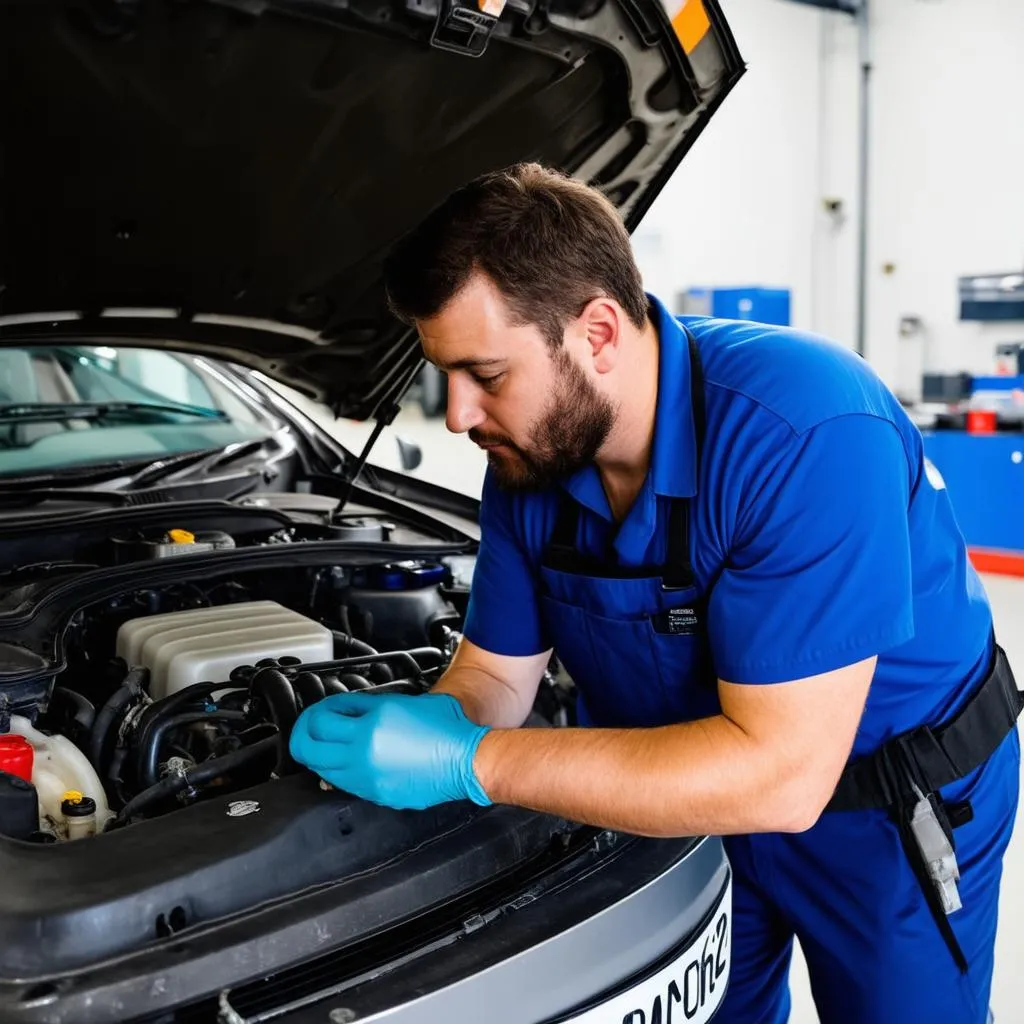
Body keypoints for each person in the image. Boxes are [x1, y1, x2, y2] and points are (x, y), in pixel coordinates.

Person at [289, 163, 1022, 1022]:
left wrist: (471, 763)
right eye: (445, 375)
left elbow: (782, 777)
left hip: (884, 814)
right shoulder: (533, 461)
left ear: (598, 332)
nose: (455, 415)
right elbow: (495, 677)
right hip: (673, 798)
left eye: (485, 375)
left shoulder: (804, 429)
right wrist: (424, 733)